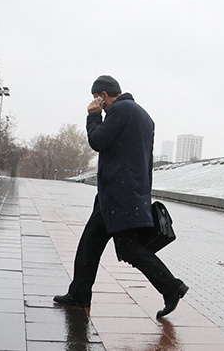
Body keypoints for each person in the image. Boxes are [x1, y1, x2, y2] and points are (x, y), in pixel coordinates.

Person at [54, 75, 188, 317]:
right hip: (122, 193)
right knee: (90, 244)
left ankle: (172, 287)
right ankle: (79, 294)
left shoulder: (120, 110)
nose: (98, 104)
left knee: (129, 249)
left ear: (103, 96)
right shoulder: (143, 115)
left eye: (97, 99)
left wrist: (93, 116)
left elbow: (98, 140)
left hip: (119, 195)